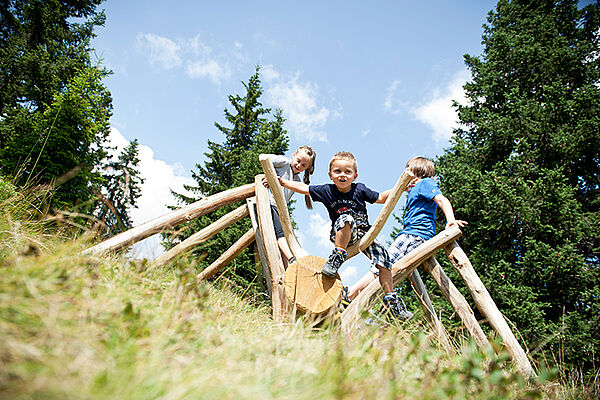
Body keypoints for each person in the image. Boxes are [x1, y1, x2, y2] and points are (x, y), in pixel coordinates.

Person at [278, 151, 406, 318]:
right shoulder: (327, 190)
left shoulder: (360, 188)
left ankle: (391, 299)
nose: (342, 175)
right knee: (346, 218)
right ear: (330, 175)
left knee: (384, 258)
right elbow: (304, 188)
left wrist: (401, 187)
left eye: (347, 172)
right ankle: (338, 254)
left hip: (364, 234)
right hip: (342, 233)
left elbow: (381, 197)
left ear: (355, 175)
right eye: (337, 171)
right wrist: (282, 182)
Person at [347, 156, 467, 320]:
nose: (404, 172)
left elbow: (441, 199)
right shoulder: (413, 189)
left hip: (414, 235)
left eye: (407, 169)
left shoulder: (425, 183)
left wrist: (450, 220)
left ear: (415, 171)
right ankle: (378, 306)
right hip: (411, 234)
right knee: (386, 269)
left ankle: (350, 295)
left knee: (382, 265)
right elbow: (384, 197)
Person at [263, 145, 316, 269]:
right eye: (298, 161)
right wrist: (268, 177)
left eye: (304, 165)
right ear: (293, 155)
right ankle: (293, 260)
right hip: (269, 203)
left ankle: (288, 270)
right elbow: (264, 159)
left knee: (284, 237)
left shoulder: (296, 181)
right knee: (280, 235)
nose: (299, 166)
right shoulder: (284, 162)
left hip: (279, 209)